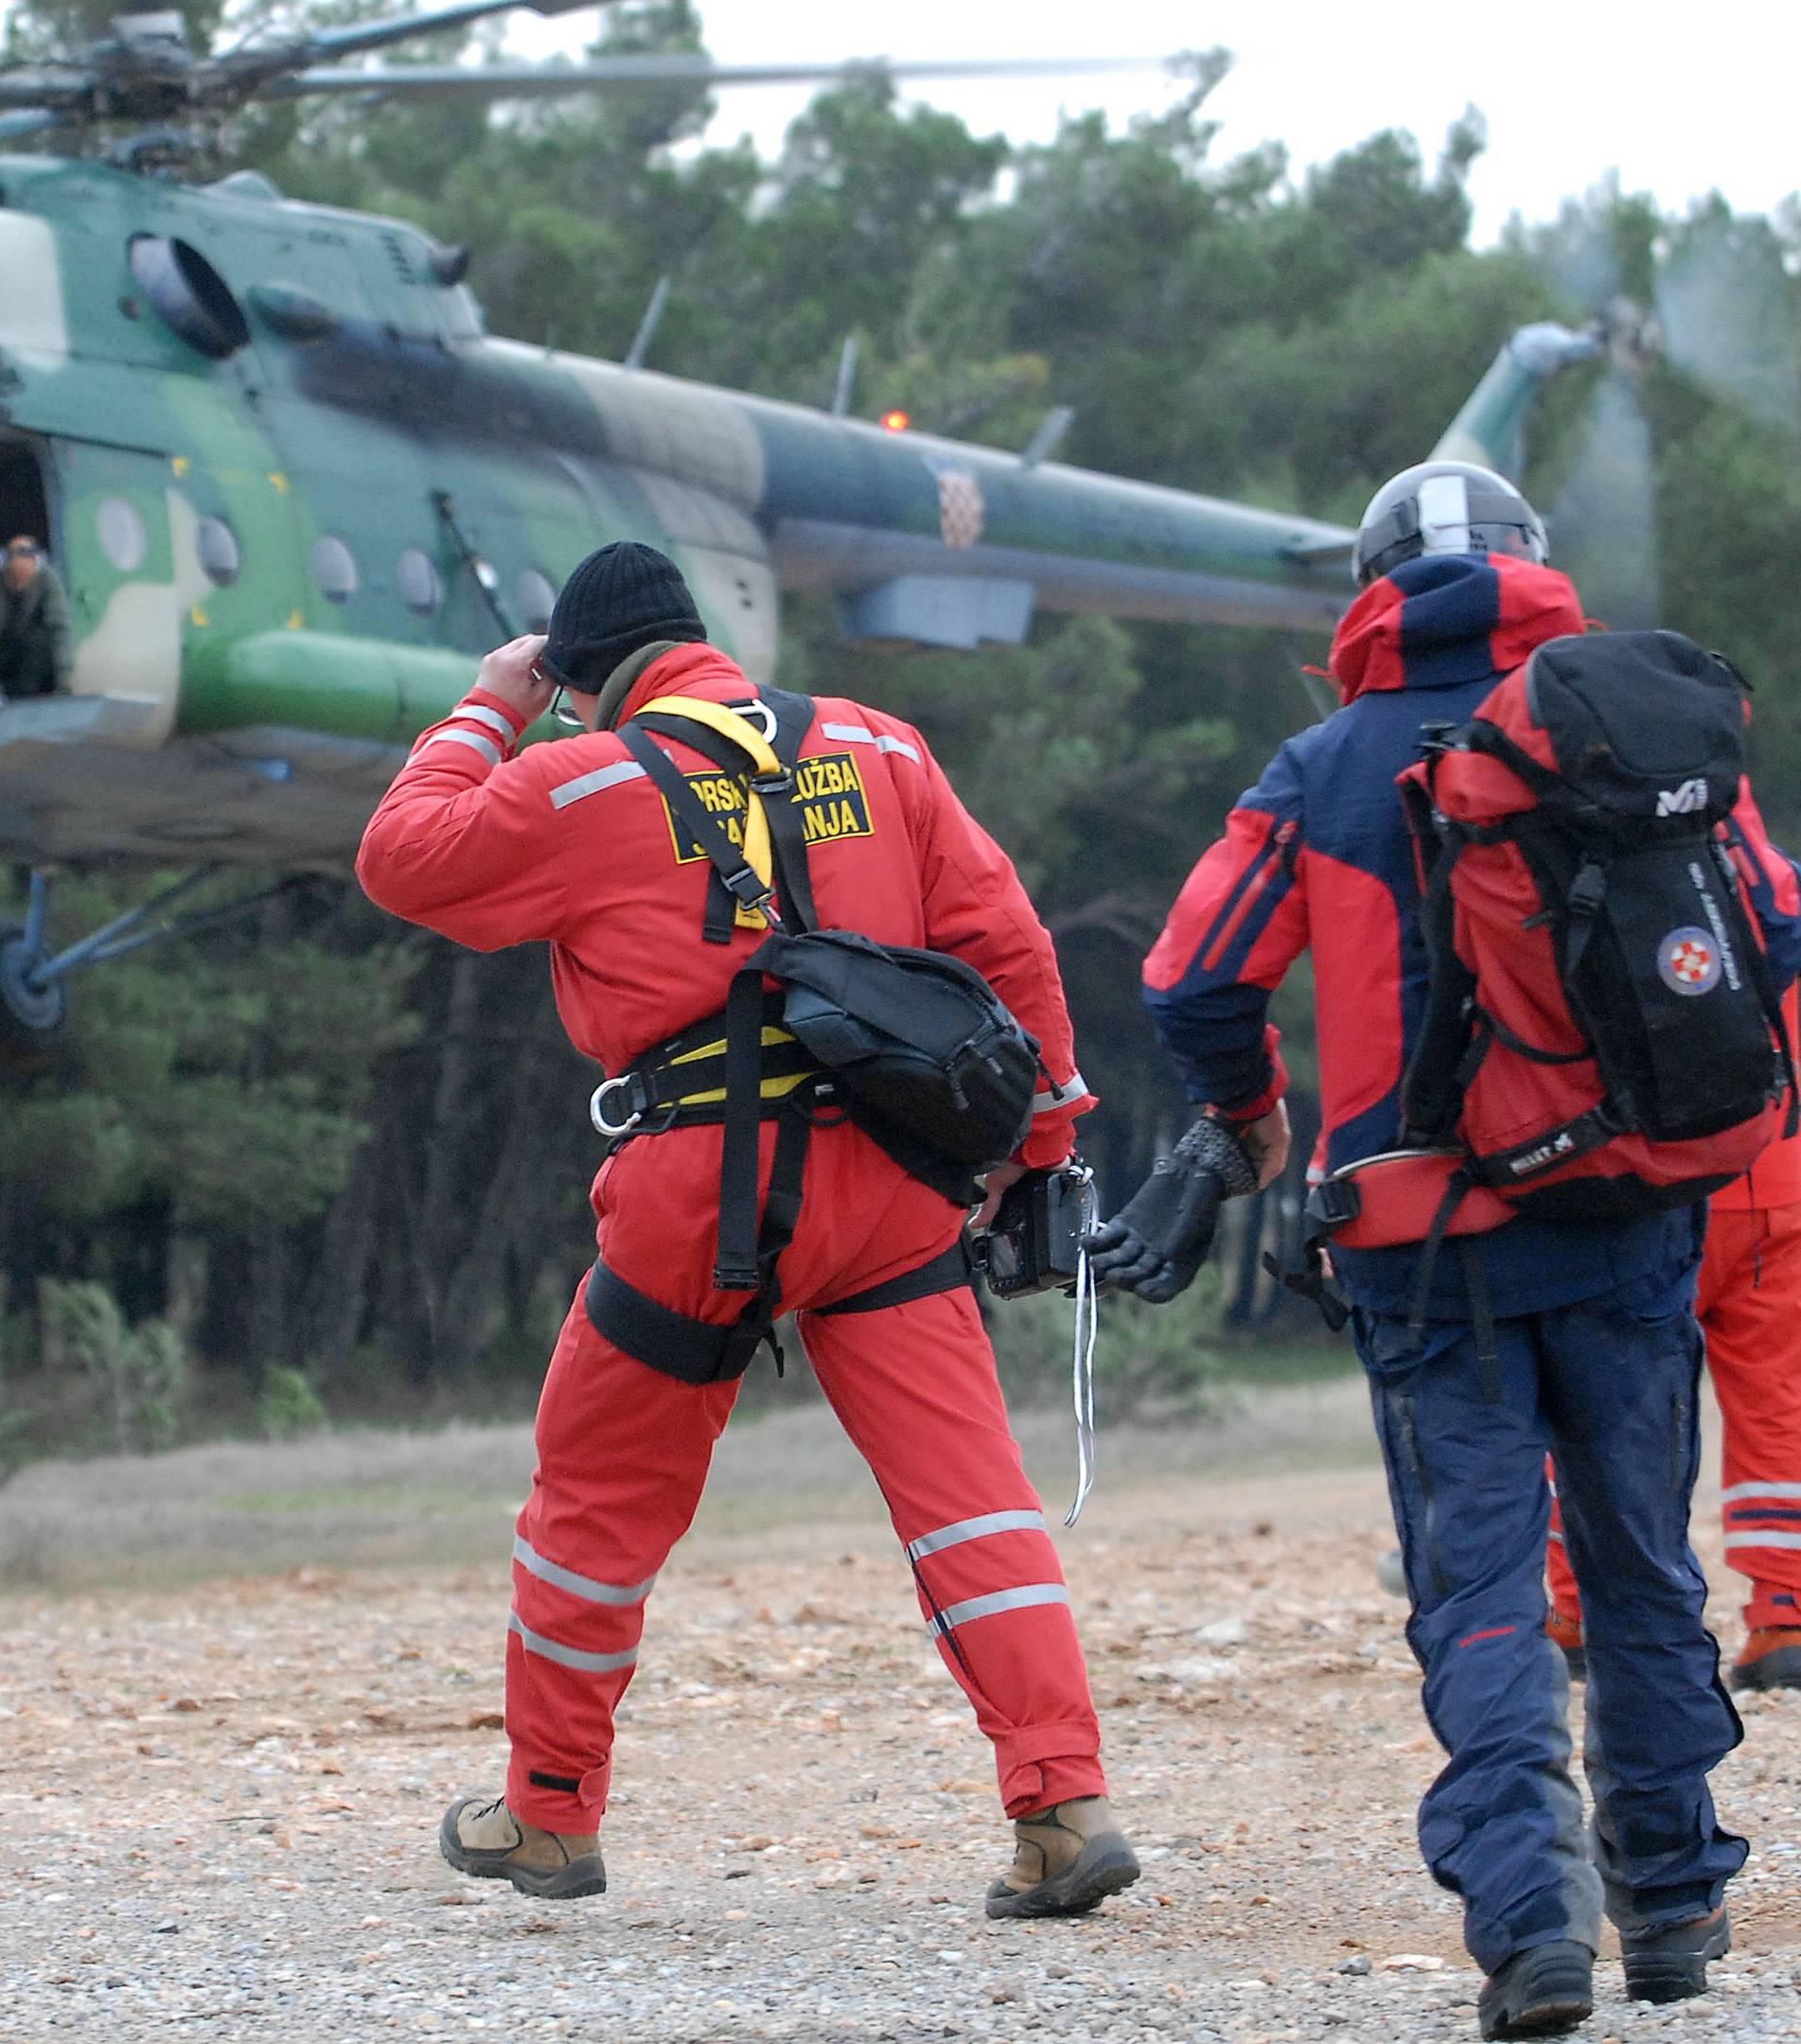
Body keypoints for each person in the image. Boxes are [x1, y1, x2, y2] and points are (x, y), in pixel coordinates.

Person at [1090, 462, 1801, 2039]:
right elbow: (1777, 929)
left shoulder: (1324, 763)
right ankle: (1676, 1907)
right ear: (1538, 570)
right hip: (1630, 1223)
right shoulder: (1641, 725)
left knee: (1478, 1588)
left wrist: (1252, 1116)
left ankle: (1530, 1922)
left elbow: (1192, 978)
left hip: (1426, 1255)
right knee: (1644, 1569)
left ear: (1369, 589)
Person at [356, 540, 1138, 1918]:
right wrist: (1044, 1140)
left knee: (592, 1505)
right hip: (893, 1186)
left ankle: (547, 1817)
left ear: (580, 681)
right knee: (970, 1503)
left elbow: (403, 860)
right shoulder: (877, 747)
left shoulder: (578, 776)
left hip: (698, 1196)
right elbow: (1007, 940)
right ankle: (1064, 1806)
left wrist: (488, 707)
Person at [1547, 989, 1801, 1693]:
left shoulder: (1621, 883)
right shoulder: (1778, 899)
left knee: (1612, 1406)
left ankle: (1580, 1612)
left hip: (1659, 1188)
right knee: (1777, 1407)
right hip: (1780, 1183)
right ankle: (1785, 1615)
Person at [0, 537, 73, 701]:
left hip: (22, 656)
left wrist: (65, 678)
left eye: (25, 578)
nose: (20, 585)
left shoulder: (47, 578)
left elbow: (60, 629)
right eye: (15, 578)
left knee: (40, 640)